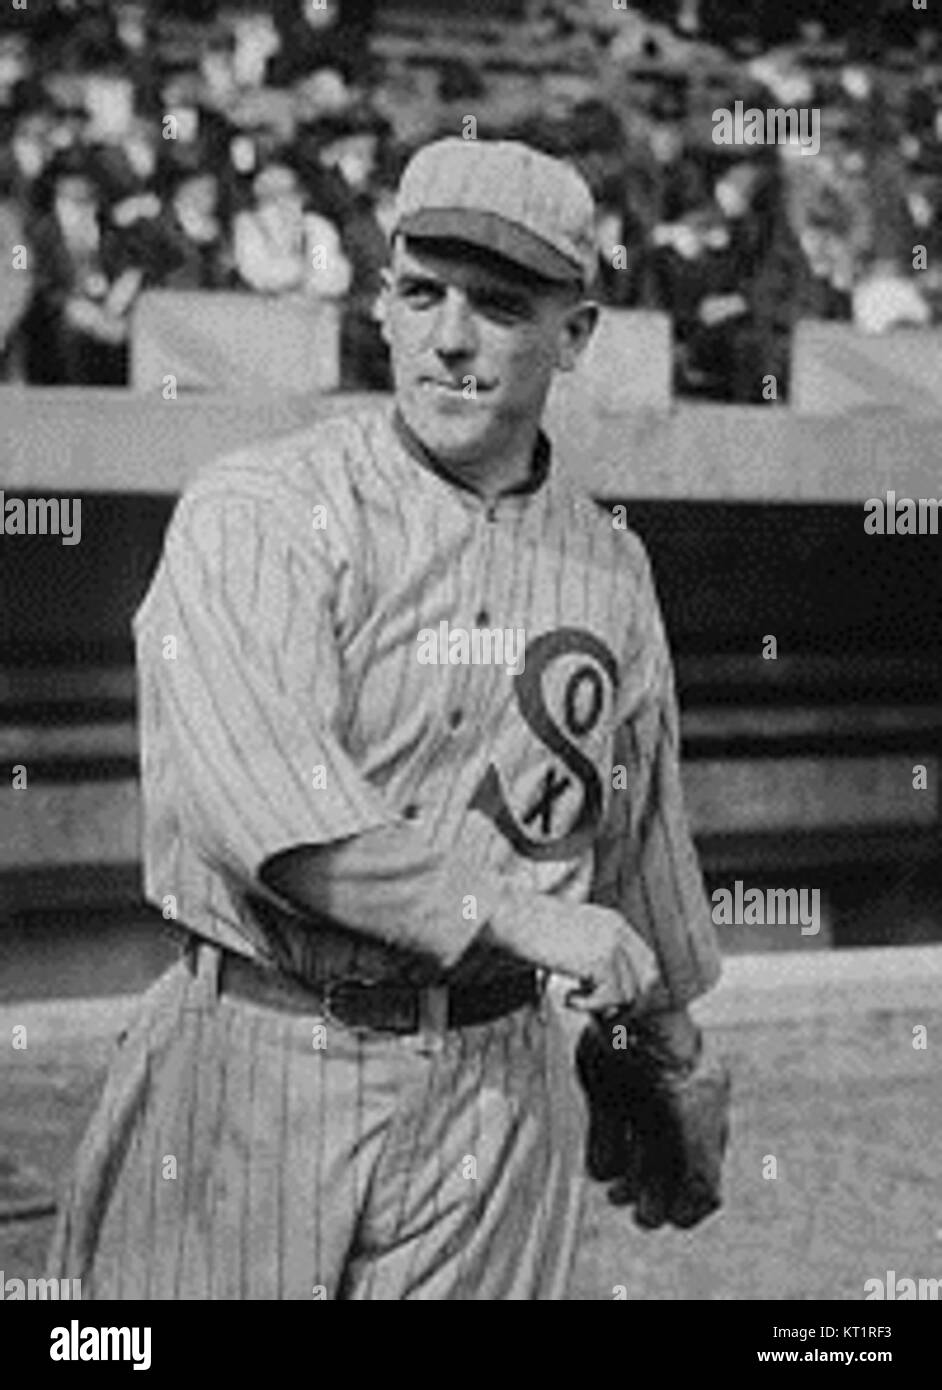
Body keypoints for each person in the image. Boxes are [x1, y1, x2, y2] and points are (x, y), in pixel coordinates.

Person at [49, 138, 724, 1301]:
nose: (450, 339)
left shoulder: (610, 568)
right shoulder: (259, 511)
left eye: (500, 305)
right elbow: (273, 819)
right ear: (384, 300)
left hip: (497, 1097)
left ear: (576, 335)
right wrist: (517, 915)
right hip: (257, 1061)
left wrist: (659, 1052)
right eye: (422, 293)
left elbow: (635, 849)